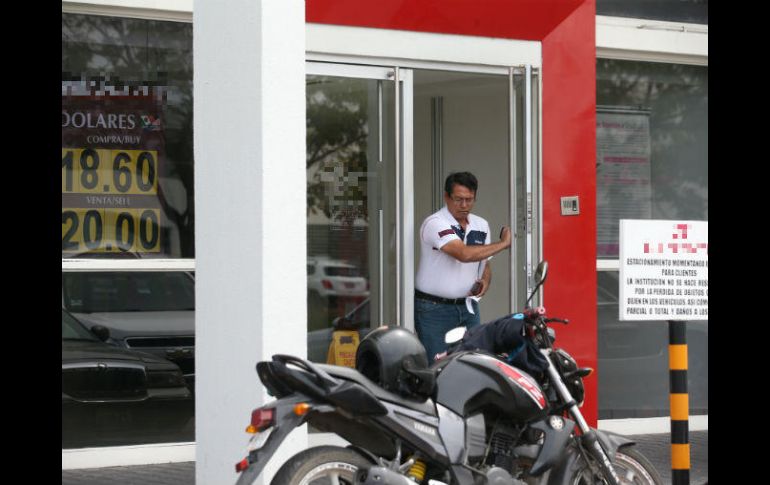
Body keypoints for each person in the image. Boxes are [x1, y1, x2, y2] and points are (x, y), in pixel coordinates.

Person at [414, 172, 512, 361]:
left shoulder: (481, 224)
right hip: (434, 309)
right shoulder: (435, 223)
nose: (464, 205)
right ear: (446, 197)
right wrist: (504, 243)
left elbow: (484, 261)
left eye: (469, 199)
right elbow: (464, 254)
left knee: (472, 362)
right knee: (437, 365)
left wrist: (485, 280)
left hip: (468, 307)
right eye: (458, 199)